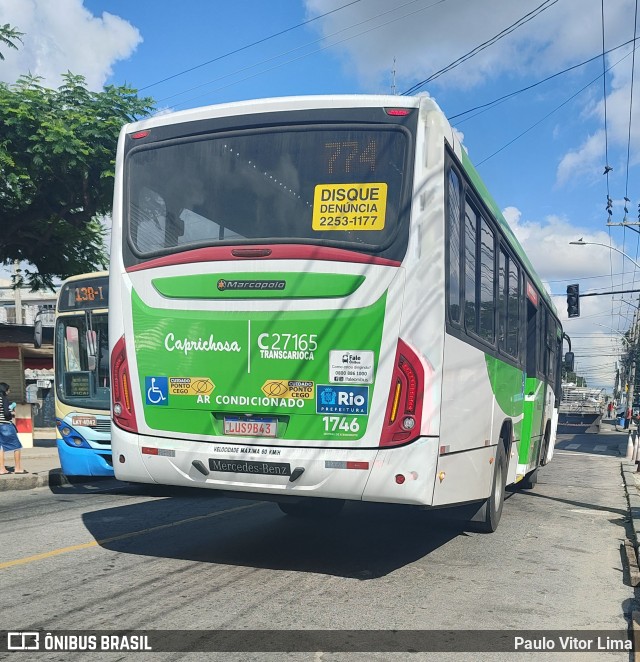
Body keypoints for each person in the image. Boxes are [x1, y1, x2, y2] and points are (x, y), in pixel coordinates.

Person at [0, 382, 27, 474]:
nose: (9, 392)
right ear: (5, 390)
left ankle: (1, 468)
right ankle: (18, 468)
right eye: (8, 390)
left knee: (1, 447)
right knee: (17, 446)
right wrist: (12, 414)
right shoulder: (3, 398)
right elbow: (7, 413)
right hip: (5, 425)